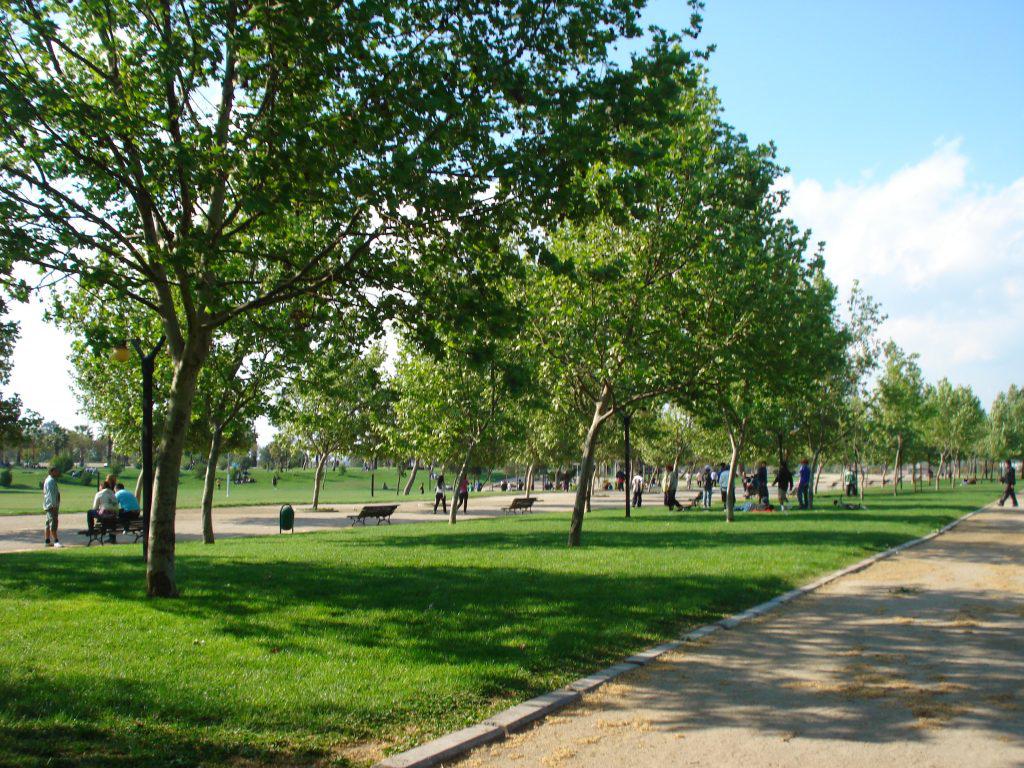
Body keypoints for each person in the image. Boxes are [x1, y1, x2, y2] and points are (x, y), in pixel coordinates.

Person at [42, 465, 63, 548]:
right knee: (53, 523)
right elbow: (51, 495)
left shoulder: (50, 480)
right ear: (51, 471)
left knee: (48, 523)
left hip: (49, 505)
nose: (57, 472)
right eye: (56, 471)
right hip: (52, 506)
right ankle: (56, 541)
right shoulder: (50, 481)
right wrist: (54, 506)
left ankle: (47, 541)